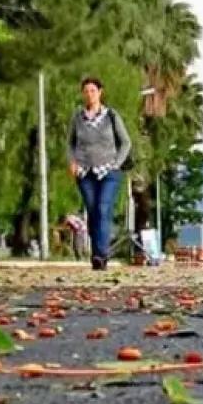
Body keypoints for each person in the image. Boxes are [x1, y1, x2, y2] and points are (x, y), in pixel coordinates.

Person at [68, 76, 132, 270]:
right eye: (86, 91)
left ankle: (100, 255)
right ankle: (97, 253)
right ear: (82, 94)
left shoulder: (111, 115)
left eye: (93, 91)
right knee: (93, 212)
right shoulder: (77, 117)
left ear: (100, 92)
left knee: (103, 209)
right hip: (85, 172)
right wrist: (72, 162)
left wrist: (116, 164)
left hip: (108, 172)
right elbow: (70, 143)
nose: (89, 94)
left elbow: (126, 142)